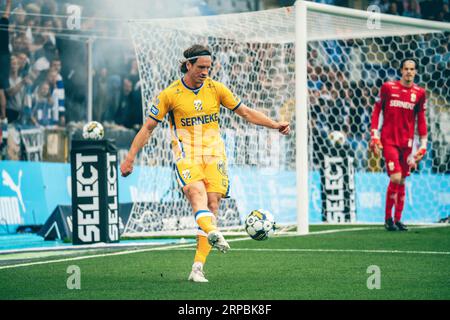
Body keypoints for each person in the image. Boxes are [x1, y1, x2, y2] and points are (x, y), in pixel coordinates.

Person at [120, 45, 290, 282]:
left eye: (208, 67)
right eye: (201, 67)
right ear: (188, 65)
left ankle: (197, 268)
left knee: (212, 204)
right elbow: (148, 127)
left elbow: (246, 113)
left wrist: (274, 124)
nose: (205, 72)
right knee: (196, 193)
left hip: (215, 155)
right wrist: (130, 157)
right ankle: (213, 232)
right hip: (187, 155)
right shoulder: (169, 94)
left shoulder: (216, 89)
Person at [370, 58, 427, 232]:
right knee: (395, 177)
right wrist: (374, 134)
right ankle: (388, 218)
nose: (409, 72)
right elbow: (377, 110)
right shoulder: (388, 87)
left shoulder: (419, 93)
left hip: (407, 143)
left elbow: (421, 119)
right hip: (389, 140)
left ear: (415, 71)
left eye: (412, 69)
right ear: (401, 70)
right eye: (406, 69)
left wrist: (423, 143)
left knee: (402, 180)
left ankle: (398, 219)